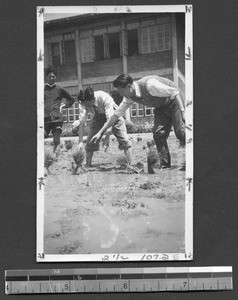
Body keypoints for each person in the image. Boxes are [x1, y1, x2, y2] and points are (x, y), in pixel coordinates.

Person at [91, 74, 185, 170]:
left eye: (120, 90)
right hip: (161, 105)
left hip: (175, 101)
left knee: (179, 131)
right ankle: (165, 165)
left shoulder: (149, 85)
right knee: (158, 134)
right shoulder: (129, 98)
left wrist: (183, 112)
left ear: (128, 87)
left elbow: (174, 92)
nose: (120, 94)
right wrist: (99, 133)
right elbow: (115, 116)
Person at [77, 86, 132, 167]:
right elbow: (81, 122)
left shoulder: (104, 97)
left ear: (92, 99)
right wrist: (80, 142)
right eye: (84, 105)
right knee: (89, 143)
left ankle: (129, 165)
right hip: (97, 117)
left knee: (124, 141)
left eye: (88, 105)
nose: (87, 107)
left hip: (114, 115)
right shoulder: (83, 102)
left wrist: (107, 138)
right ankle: (88, 165)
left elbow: (110, 120)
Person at [44, 66, 75, 154]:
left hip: (57, 118)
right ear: (46, 77)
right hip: (45, 119)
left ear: (56, 77)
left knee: (56, 140)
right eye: (49, 76)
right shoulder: (41, 89)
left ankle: (56, 157)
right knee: (40, 136)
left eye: (53, 76)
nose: (51, 78)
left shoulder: (59, 89)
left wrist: (64, 106)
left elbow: (71, 99)